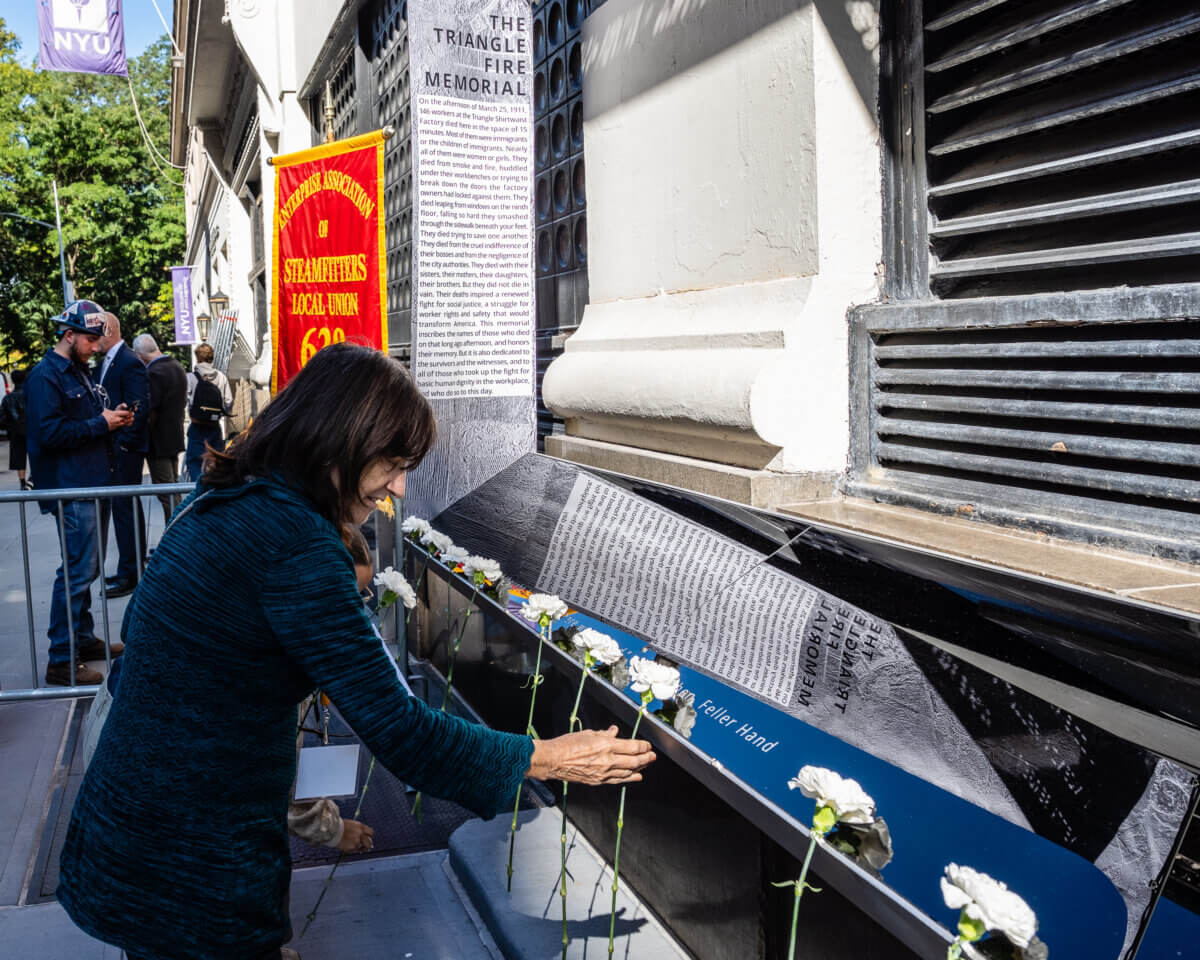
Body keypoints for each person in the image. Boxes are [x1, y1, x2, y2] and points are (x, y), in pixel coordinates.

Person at [57, 342, 654, 960]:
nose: (397, 487)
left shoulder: (229, 497)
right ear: (339, 441)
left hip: (135, 829)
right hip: (189, 863)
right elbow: (403, 732)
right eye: (391, 462)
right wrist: (547, 757)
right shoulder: (294, 544)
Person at [24, 300, 131, 686]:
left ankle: (82, 641)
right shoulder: (45, 376)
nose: (97, 346)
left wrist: (109, 421)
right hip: (73, 488)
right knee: (76, 572)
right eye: (90, 339)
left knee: (85, 568)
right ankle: (61, 658)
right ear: (68, 335)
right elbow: (49, 434)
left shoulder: (77, 371)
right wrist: (101, 424)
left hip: (88, 484)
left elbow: (81, 424)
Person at [97, 314, 150, 597]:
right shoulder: (108, 361)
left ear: (108, 330)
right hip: (115, 448)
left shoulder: (128, 361)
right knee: (125, 509)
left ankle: (130, 573)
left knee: (124, 509)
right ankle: (130, 568)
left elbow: (139, 406)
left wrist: (124, 445)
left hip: (125, 449)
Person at [133, 333, 187, 524]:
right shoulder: (176, 366)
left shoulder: (153, 373)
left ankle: (175, 538)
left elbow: (150, 409)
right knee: (173, 491)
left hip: (158, 443)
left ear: (140, 356)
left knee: (166, 494)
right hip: (174, 438)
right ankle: (177, 533)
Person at [184, 342, 232, 481]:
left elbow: (184, 400)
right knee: (217, 463)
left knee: (195, 462)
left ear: (197, 358)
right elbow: (228, 401)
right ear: (212, 358)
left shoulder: (191, 378)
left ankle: (197, 493)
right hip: (214, 426)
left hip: (197, 425)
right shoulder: (221, 377)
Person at [0, 367, 30, 488]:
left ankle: (22, 482)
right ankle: (33, 479)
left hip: (15, 431)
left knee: (18, 457)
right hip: (31, 429)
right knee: (35, 454)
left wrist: (9, 427)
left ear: (12, 380)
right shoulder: (30, 395)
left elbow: (2, 418)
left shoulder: (7, 398)